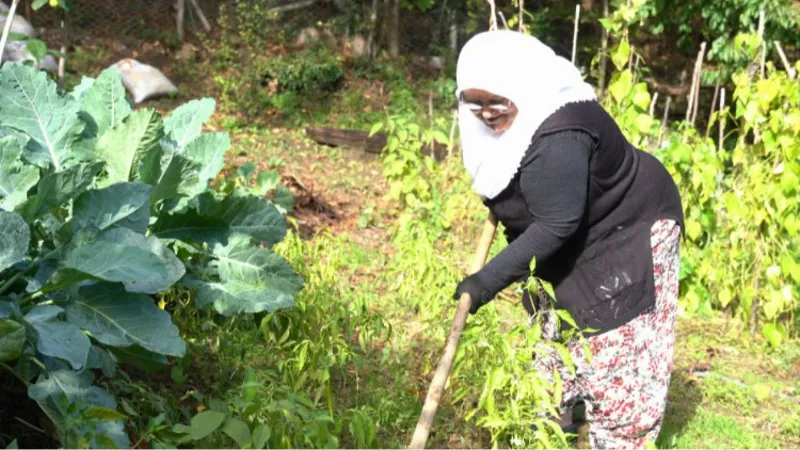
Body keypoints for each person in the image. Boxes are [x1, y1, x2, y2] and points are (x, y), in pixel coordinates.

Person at [451, 30, 684, 450]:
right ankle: (557, 417)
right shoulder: (506, 128)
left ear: (520, 87)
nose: (486, 114)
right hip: (576, 232)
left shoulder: (559, 134)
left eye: (497, 101)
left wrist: (484, 283)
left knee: (618, 341)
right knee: (555, 330)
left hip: (629, 224)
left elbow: (555, 225)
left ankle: (615, 432)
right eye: (475, 103)